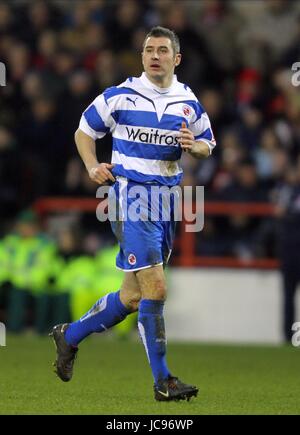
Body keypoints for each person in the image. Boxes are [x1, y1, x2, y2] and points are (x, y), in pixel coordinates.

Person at [50, 26, 216, 402]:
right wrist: (92, 165)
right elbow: (83, 130)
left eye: (162, 50)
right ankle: (163, 381)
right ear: (142, 57)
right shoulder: (121, 96)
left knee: (132, 297)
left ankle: (69, 336)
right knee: (156, 288)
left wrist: (197, 147)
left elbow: (209, 143)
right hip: (129, 199)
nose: (154, 55)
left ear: (177, 58)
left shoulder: (188, 102)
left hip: (166, 205)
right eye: (148, 50)